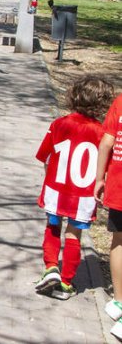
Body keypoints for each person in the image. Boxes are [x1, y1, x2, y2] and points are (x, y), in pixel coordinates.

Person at [34, 76, 114, 300]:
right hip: (83, 195)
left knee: (52, 226)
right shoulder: (101, 133)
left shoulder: (60, 124)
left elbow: (43, 155)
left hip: (57, 189)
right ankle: (67, 282)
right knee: (74, 235)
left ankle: (51, 267)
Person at [95, 90, 122, 338]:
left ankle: (119, 300)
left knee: (119, 241)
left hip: (120, 185)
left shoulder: (120, 102)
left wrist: (99, 177)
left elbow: (106, 142)